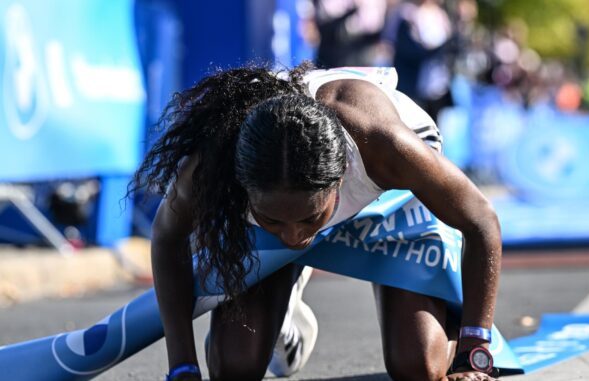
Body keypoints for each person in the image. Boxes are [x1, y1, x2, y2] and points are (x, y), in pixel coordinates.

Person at [131, 62, 502, 381]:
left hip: (392, 202)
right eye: (274, 219)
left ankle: (286, 241)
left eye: (309, 217)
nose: (294, 236)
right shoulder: (212, 167)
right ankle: (285, 313)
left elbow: (482, 221)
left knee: (419, 366)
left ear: (342, 176)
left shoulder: (387, 146)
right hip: (298, 187)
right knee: (234, 369)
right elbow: (167, 238)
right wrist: (182, 367)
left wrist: (474, 349)